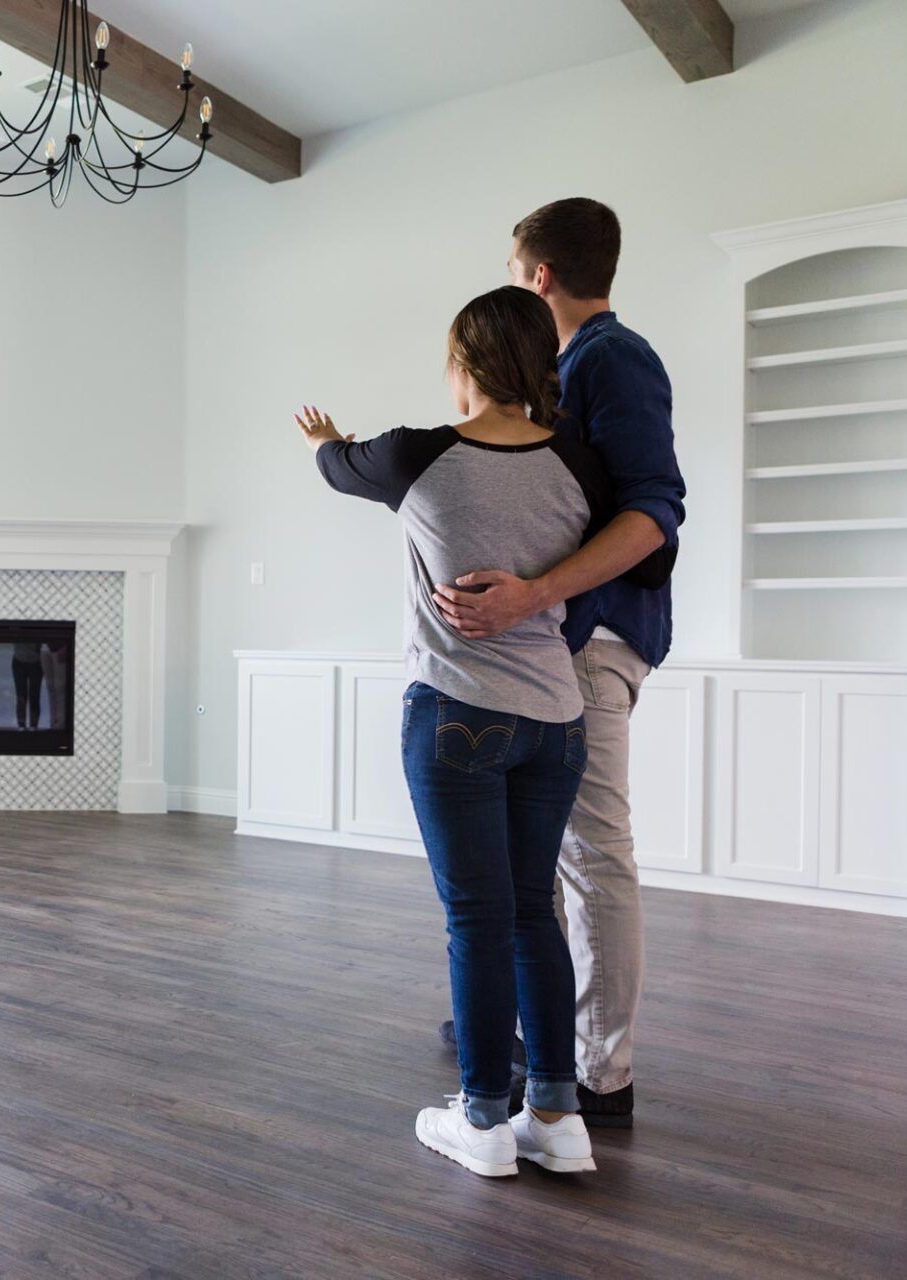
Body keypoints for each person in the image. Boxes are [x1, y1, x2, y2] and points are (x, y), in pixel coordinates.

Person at [294, 285, 674, 1177]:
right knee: (535, 913)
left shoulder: (414, 456)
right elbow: (646, 528)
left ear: (462, 365)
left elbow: (336, 464)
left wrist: (321, 438)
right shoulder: (583, 466)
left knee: (476, 918)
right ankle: (557, 1117)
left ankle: (483, 1123)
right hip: (556, 721)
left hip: (457, 714)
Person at [431, 199, 686, 1129]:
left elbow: (655, 512)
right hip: (551, 648)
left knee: (589, 855)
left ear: (536, 276)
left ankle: (598, 1075)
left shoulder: (610, 360)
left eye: (511, 270)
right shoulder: (563, 373)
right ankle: (520, 1038)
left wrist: (535, 597)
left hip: (586, 645)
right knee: (528, 864)